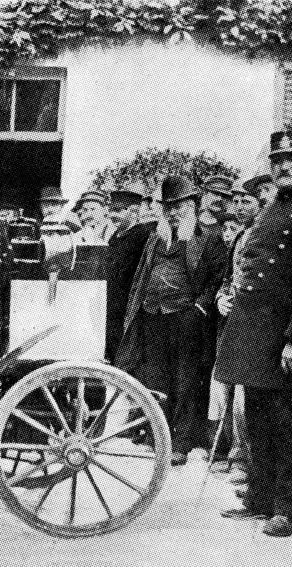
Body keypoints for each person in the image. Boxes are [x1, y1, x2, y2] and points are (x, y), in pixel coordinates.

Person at [214, 130, 292, 537]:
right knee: (258, 417)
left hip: (286, 333)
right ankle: (261, 498)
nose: (284, 166)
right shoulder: (273, 206)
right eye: (277, 160)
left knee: (291, 421)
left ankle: (290, 510)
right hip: (256, 330)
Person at [115, 175, 226, 466]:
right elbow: (141, 275)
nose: (173, 212)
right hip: (152, 315)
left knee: (186, 378)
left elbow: (217, 277)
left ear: (192, 205)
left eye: (179, 206)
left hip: (186, 318)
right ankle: (160, 435)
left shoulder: (208, 239)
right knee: (156, 378)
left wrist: (201, 307)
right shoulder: (155, 239)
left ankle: (182, 443)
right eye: (168, 207)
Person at [209, 178, 263, 483]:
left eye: (247, 201)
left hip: (255, 321)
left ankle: (245, 460)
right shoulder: (241, 236)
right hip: (233, 320)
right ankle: (234, 454)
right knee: (225, 386)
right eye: (237, 201)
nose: (240, 207)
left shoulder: (263, 232)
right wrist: (221, 298)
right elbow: (229, 278)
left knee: (246, 394)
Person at [105, 183, 157, 362]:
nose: (113, 215)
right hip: (113, 307)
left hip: (131, 309)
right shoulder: (114, 238)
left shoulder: (143, 236)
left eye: (118, 210)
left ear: (134, 211)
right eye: (111, 210)